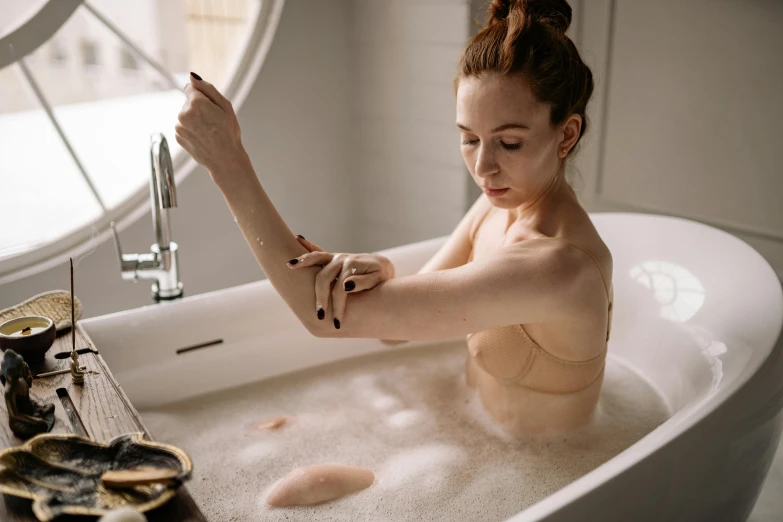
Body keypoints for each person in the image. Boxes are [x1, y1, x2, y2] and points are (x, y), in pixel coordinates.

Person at [175, 0, 612, 437]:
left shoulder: (559, 266)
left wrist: (227, 165)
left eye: (509, 143)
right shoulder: (496, 208)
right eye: (469, 139)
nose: (483, 167)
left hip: (540, 476)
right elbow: (394, 333)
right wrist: (384, 269)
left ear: (567, 134)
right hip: (477, 440)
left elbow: (321, 316)